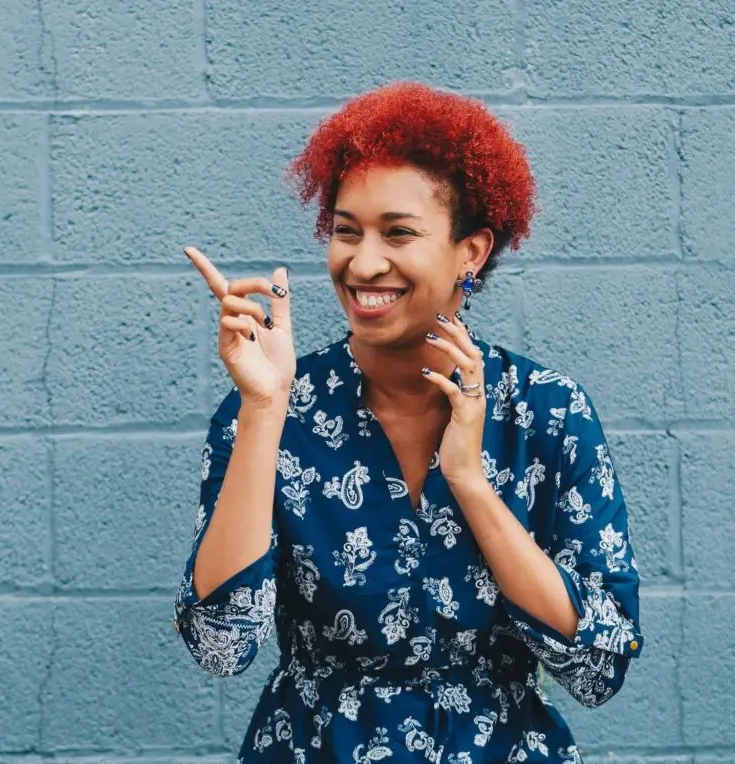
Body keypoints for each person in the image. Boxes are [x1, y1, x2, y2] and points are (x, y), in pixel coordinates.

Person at [174, 81, 644, 764]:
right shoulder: (273, 406)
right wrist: (265, 410)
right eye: (345, 230)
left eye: (399, 233)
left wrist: (470, 484)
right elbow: (220, 646)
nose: (363, 263)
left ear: (471, 252)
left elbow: (599, 668)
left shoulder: (548, 411)